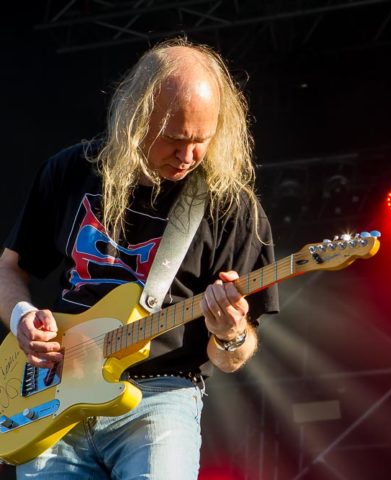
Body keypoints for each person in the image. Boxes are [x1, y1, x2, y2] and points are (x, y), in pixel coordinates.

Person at [0, 38, 279, 479]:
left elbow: (232, 358)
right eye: (174, 139)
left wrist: (229, 333)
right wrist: (22, 317)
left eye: (201, 141)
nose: (187, 156)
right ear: (135, 118)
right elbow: (8, 268)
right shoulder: (73, 170)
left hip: (160, 396)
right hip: (53, 393)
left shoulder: (231, 208)